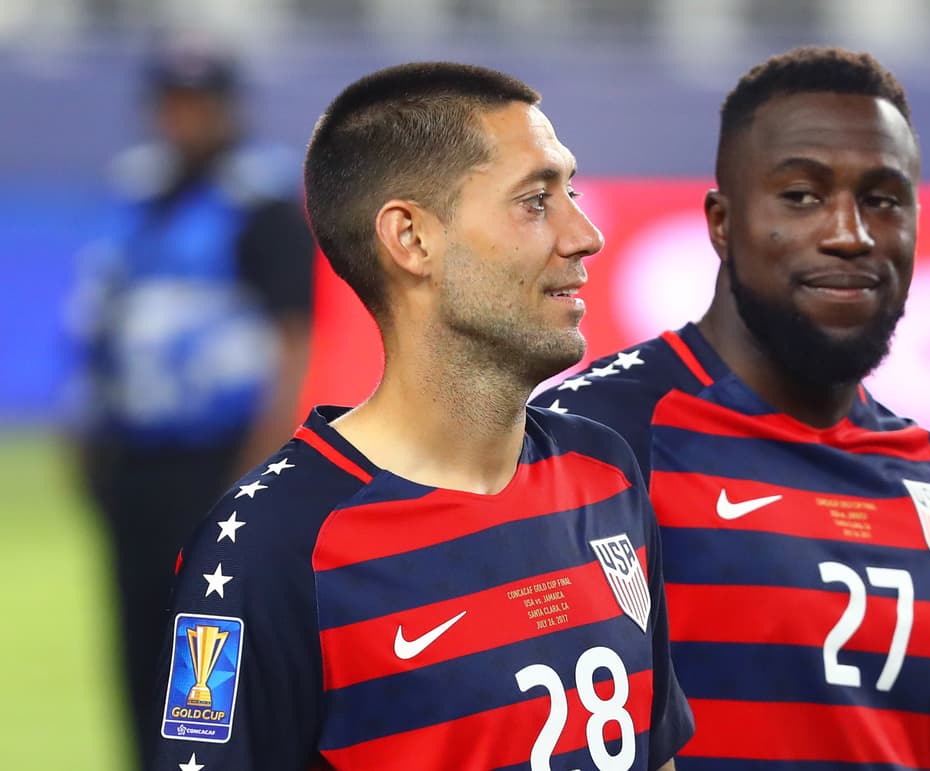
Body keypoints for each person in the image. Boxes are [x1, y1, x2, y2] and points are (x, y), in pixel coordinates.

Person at [147, 62, 693, 770]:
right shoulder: (267, 548)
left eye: (572, 193)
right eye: (536, 201)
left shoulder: (607, 474)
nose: (585, 235)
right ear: (411, 239)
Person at [532, 47, 930, 771]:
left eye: (883, 198)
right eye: (801, 196)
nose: (849, 233)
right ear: (721, 222)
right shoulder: (593, 440)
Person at [65, 38, 314, 765]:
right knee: (137, 640)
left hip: (217, 455)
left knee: (205, 647)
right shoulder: (134, 192)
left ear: (228, 109)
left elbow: (292, 337)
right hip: (134, 455)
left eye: (199, 103)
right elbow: (99, 321)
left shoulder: (259, 199)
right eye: (173, 102)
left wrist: (257, 466)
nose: (185, 117)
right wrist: (83, 427)